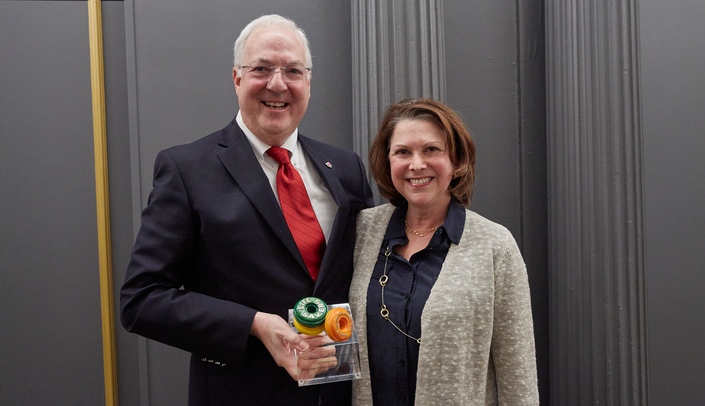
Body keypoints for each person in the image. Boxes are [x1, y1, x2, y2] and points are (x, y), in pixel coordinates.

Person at [120, 14, 374, 406]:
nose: (277, 83)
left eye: (292, 70)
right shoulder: (187, 169)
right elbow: (142, 300)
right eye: (261, 69)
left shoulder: (345, 168)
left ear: (308, 82)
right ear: (237, 78)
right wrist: (254, 325)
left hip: (341, 394)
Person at [349, 98, 539, 405]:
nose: (416, 164)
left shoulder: (495, 246)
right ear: (388, 163)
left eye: (431, 150)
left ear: (457, 161)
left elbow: (518, 375)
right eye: (402, 152)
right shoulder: (363, 232)